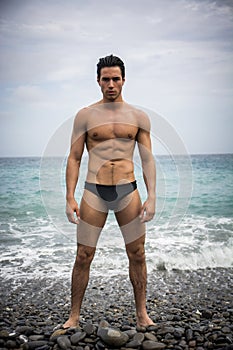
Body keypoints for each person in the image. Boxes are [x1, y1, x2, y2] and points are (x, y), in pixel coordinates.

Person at [64, 54, 156, 328]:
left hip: (128, 189)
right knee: (83, 255)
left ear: (124, 80)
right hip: (94, 190)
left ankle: (142, 314)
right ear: (98, 81)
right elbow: (74, 157)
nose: (111, 84)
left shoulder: (139, 117)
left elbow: (148, 158)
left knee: (137, 253)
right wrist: (69, 196)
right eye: (106, 79)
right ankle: (74, 316)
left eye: (116, 78)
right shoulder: (86, 115)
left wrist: (152, 196)